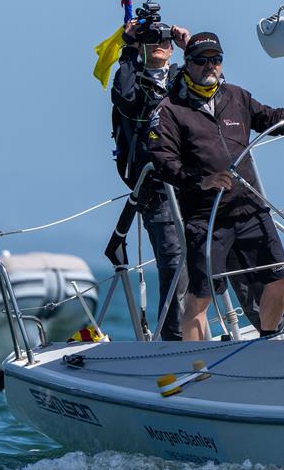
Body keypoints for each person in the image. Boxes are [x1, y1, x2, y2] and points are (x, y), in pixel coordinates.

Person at [149, 31, 284, 340]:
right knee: (201, 296)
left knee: (280, 277)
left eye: (216, 59)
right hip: (206, 217)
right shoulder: (170, 110)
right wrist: (202, 181)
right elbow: (163, 162)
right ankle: (197, 365)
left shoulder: (236, 97)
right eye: (201, 61)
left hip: (250, 208)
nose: (209, 66)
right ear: (187, 65)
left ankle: (268, 341)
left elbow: (272, 118)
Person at [110, 19, 191, 340]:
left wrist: (190, 48)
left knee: (221, 256)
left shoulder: (185, 78)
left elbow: (217, 93)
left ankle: (262, 329)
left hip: (196, 183)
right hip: (156, 189)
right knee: (174, 263)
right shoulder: (132, 79)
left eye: (166, 39)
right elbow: (124, 98)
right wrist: (129, 49)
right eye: (153, 39)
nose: (161, 43)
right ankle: (173, 341)